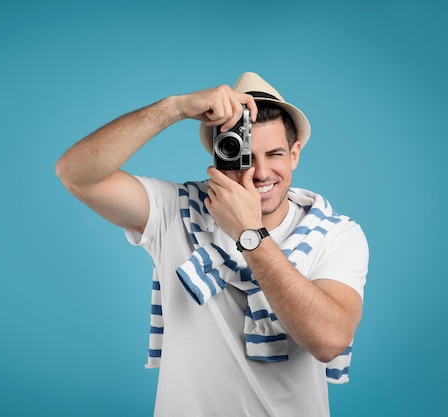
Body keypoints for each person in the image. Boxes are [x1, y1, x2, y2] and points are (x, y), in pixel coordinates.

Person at [55, 72, 369, 417]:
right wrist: (173, 108)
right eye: (243, 154)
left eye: (275, 154)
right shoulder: (175, 211)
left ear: (295, 154)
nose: (260, 173)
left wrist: (249, 233)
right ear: (220, 154)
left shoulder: (335, 233)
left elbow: (328, 340)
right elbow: (76, 173)